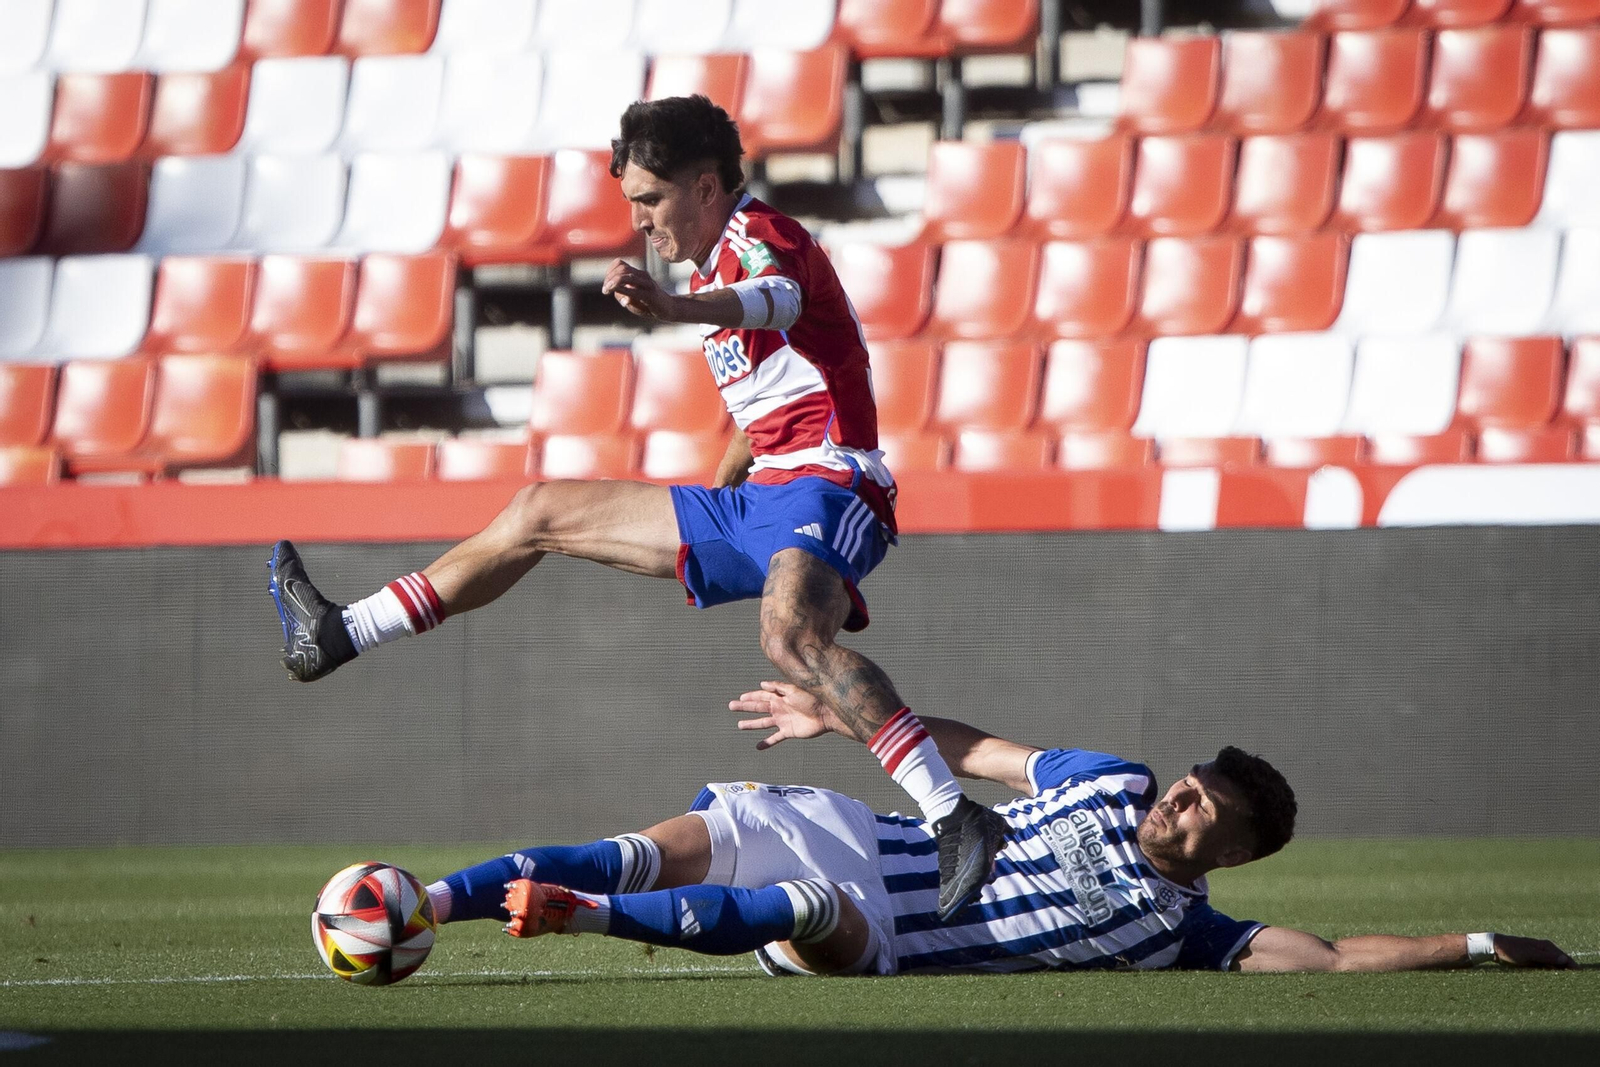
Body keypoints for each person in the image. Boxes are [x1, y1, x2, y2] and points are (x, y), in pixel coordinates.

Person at [267, 94, 1004, 920]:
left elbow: (777, 301)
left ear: (704, 184)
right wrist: (716, 491)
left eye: (651, 201)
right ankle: (339, 632)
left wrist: (680, 308)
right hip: (761, 496)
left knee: (790, 636)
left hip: (834, 483)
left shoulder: (767, 238)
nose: (643, 222)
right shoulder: (704, 262)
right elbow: (762, 410)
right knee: (539, 508)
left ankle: (955, 816)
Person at [414, 682, 1576, 976]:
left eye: (1202, 808)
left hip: (880, 932)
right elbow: (970, 751)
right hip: (857, 825)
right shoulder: (1106, 778)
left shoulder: (1186, 931)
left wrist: (1475, 946)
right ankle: (423, 902)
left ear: (1228, 849)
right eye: (1186, 782)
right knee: (650, 842)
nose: (1178, 797)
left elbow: (1329, 958)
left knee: (808, 914)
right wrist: (844, 710)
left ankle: (586, 919)